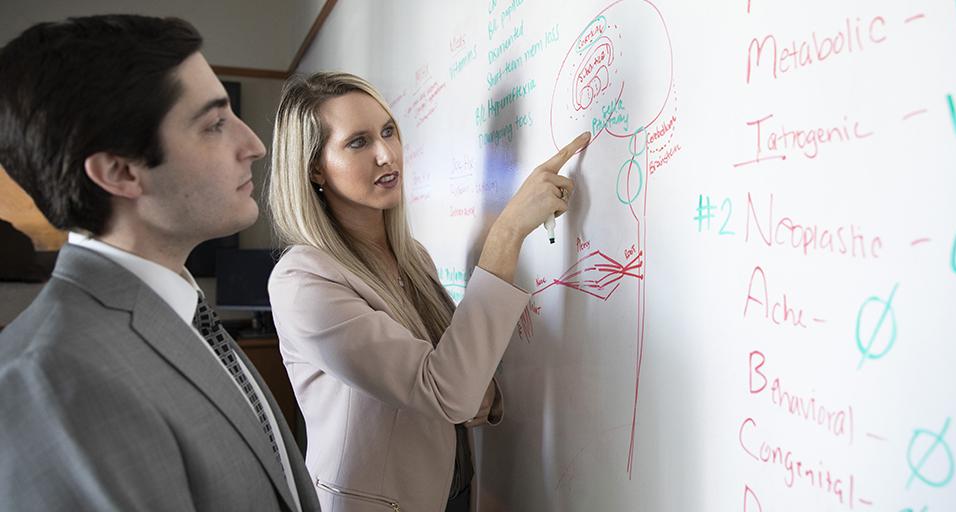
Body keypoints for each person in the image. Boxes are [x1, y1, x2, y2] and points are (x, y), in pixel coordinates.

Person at [0, 15, 319, 511]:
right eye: (214, 123)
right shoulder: (48, 381)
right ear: (121, 172)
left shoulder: (185, 314)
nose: (254, 145)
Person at [266, 71, 589, 512]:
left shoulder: (411, 256)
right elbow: (448, 390)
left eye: (388, 132)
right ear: (314, 167)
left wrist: (486, 394)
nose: (386, 154)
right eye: (358, 142)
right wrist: (508, 230)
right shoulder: (301, 282)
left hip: (453, 490)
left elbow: (459, 373)